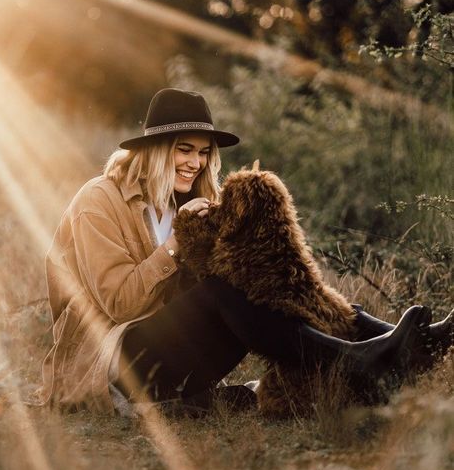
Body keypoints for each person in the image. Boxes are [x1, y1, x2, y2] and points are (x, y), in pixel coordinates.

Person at [42, 88, 453, 415]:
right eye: (184, 149)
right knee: (224, 291)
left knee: (259, 281)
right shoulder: (98, 200)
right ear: (153, 149)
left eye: (204, 153)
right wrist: (173, 246)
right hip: (106, 364)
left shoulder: (191, 199)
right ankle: (356, 364)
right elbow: (120, 303)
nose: (196, 163)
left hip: (170, 357)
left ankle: (396, 343)